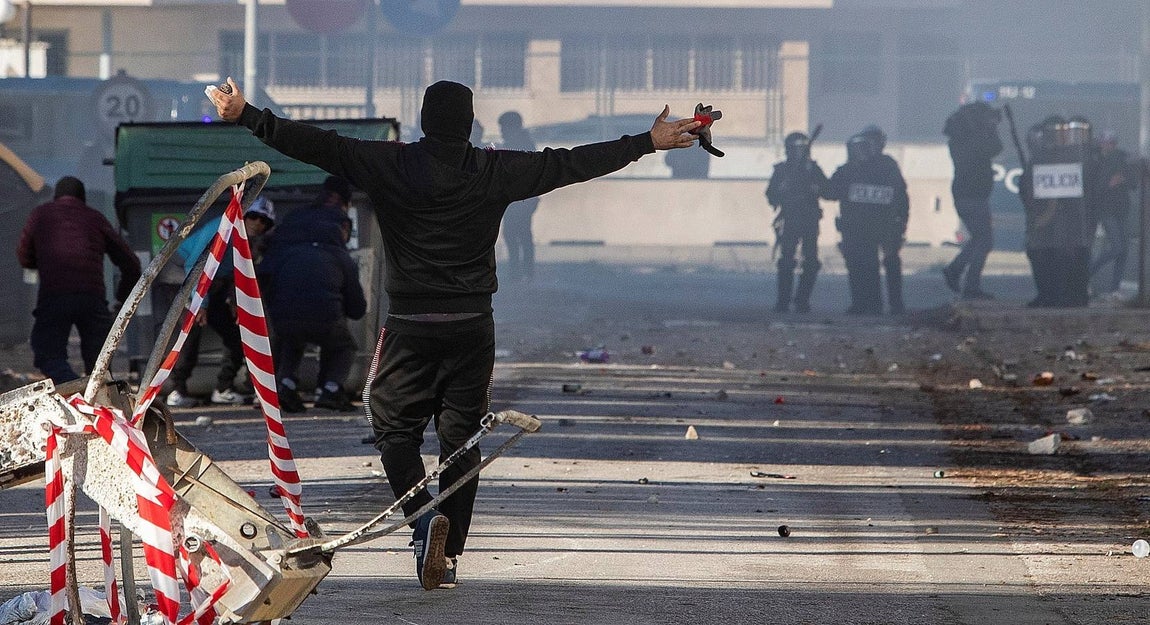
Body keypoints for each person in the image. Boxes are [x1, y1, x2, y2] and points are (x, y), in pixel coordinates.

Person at [207, 78, 701, 591]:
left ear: (424, 120)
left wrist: (247, 114)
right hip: (471, 326)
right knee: (461, 442)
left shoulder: (389, 162)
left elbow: (315, 143)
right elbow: (569, 163)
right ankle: (448, 553)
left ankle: (424, 522)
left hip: (410, 326)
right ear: (469, 124)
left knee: (394, 429)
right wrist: (647, 142)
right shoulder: (494, 169)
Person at [16, 176, 142, 384]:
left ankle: (71, 386)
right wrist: (121, 299)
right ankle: (96, 395)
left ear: (56, 197)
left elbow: (24, 255)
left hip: (54, 296)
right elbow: (131, 263)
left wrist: (41, 263)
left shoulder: (41, 215)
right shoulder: (95, 218)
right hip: (92, 299)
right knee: (99, 365)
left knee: (48, 355)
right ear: (82, 198)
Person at [258, 176, 367, 413]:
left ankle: (285, 385)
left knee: (290, 338)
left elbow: (263, 274)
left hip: (283, 313)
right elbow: (357, 308)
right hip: (324, 315)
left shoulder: (288, 238)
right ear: (342, 227)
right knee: (343, 344)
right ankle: (329, 389)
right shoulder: (339, 255)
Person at [165, 196, 275, 407]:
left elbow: (236, 274)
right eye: (253, 216)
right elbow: (194, 265)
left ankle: (223, 388)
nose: (258, 223)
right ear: (243, 215)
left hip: (211, 286)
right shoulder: (222, 228)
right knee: (191, 328)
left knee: (234, 333)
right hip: (183, 279)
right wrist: (201, 304)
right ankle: (176, 390)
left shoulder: (249, 242)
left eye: (264, 221)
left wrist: (235, 302)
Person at [825, 127, 909, 315]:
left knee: (890, 262)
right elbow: (829, 192)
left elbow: (900, 195)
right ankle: (863, 304)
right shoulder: (849, 170)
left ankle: (895, 304)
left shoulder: (887, 167)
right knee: (859, 265)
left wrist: (902, 220)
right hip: (856, 227)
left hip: (884, 224)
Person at [942, 101, 1003, 300]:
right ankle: (970, 284)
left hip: (968, 194)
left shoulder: (959, 139)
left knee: (979, 238)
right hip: (972, 195)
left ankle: (956, 270)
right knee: (984, 241)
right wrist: (991, 128)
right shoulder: (970, 140)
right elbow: (994, 148)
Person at [765, 131, 828, 313]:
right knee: (786, 260)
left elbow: (828, 190)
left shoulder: (813, 169)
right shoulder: (782, 170)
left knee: (811, 261)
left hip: (809, 219)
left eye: (800, 149)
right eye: (793, 149)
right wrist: (780, 190)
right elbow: (771, 195)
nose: (796, 153)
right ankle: (783, 300)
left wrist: (817, 188)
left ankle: (802, 300)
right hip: (790, 218)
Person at [1088, 130, 1136, 297]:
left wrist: (1123, 178)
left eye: (1112, 143)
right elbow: (1096, 187)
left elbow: (1133, 182)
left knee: (1123, 250)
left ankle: (1115, 289)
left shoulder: (1121, 158)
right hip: (1106, 210)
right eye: (1106, 142)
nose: (1109, 146)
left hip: (1121, 208)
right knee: (1117, 247)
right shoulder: (1095, 161)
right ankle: (1085, 275)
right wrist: (1109, 183)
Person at [497, 111, 541, 282]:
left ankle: (519, 271)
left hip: (519, 198)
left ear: (512, 127)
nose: (501, 131)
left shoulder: (518, 144)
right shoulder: (524, 142)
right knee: (520, 234)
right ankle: (524, 271)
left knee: (515, 234)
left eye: (503, 128)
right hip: (521, 198)